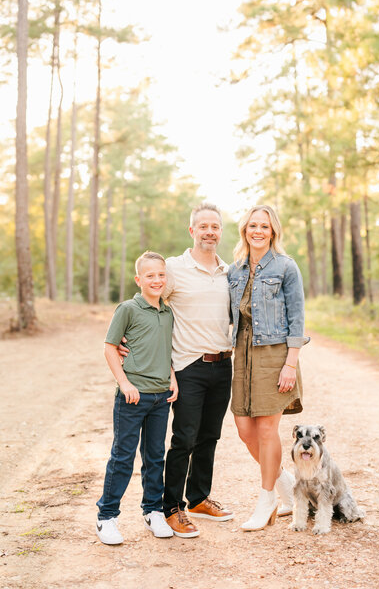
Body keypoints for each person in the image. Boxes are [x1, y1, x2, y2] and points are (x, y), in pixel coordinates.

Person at [119, 203, 234, 538]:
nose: (210, 231)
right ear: (192, 231)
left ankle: (198, 498)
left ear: (220, 231)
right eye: (203, 226)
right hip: (188, 365)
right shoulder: (174, 268)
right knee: (184, 437)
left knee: (210, 436)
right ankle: (172, 508)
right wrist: (128, 334)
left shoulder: (229, 271)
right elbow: (148, 299)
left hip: (222, 363)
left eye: (215, 226)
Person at [228, 205, 309, 531]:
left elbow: (297, 319)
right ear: (245, 230)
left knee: (266, 431)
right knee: (245, 431)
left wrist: (290, 363)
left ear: (273, 231)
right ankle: (288, 487)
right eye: (252, 225)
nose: (257, 231)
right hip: (243, 355)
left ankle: (266, 500)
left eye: (264, 226)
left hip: (275, 355)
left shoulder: (286, 267)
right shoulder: (234, 269)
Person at [96, 251, 178, 544]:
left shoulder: (167, 312)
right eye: (150, 275)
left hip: (160, 398)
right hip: (132, 398)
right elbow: (109, 347)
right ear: (138, 279)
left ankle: (153, 511)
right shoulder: (128, 308)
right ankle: (107, 517)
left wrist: (173, 377)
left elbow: (164, 350)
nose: (156, 280)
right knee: (122, 456)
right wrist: (124, 382)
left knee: (155, 456)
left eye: (161, 275)